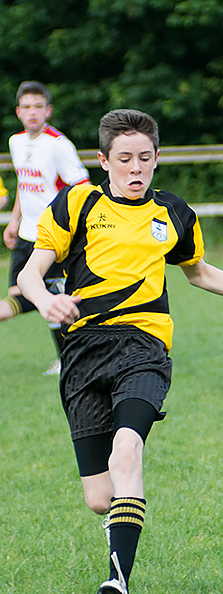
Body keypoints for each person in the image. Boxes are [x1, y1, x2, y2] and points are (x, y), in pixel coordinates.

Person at [18, 109, 223, 594]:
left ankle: (117, 584)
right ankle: (120, 533)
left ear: (157, 158)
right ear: (102, 161)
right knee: (101, 497)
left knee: (129, 450)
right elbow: (33, 272)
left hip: (144, 347)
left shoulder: (173, 213)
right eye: (124, 159)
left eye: (145, 158)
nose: (136, 168)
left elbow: (198, 271)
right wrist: (44, 301)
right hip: (81, 354)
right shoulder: (77, 203)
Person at [2, 81, 90, 374]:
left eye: (38, 107)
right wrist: (14, 220)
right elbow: (24, 186)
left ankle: (71, 357)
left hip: (51, 238)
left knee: (40, 295)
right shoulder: (16, 142)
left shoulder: (58, 145)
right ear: (18, 112)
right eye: (26, 107)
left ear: (48, 110)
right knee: (28, 291)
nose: (32, 113)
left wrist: (72, 229)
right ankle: (67, 357)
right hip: (25, 235)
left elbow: (83, 188)